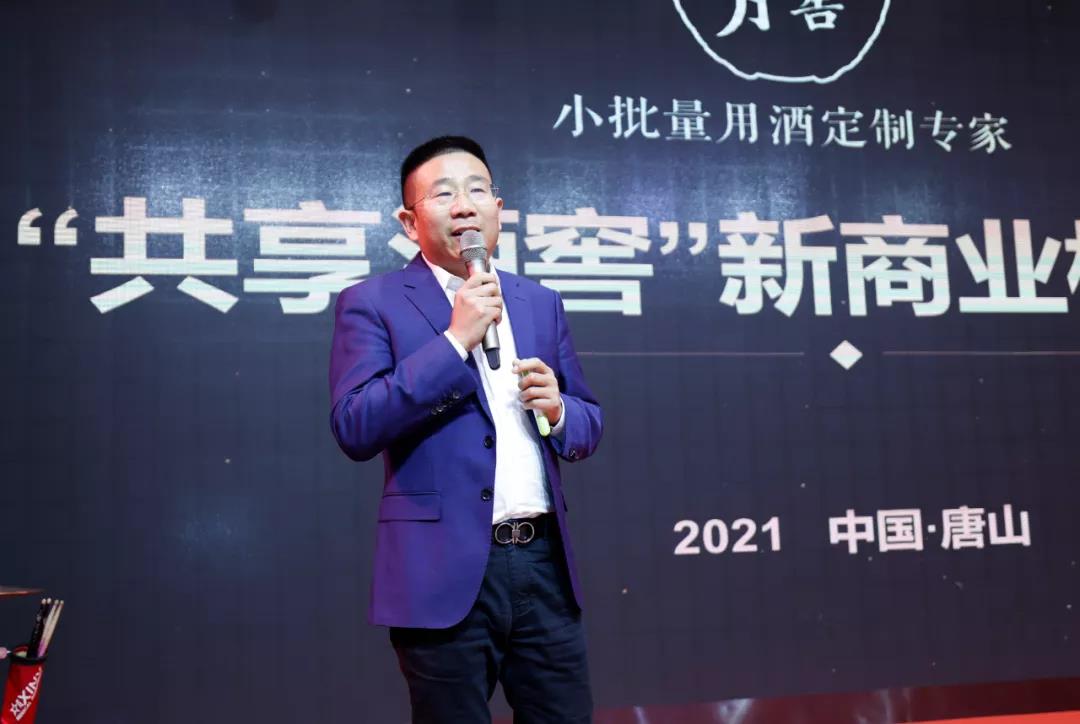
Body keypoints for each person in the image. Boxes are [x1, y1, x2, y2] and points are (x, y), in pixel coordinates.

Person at [328, 135, 603, 723]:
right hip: (441, 573)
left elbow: (588, 419)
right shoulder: (371, 303)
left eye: (477, 190)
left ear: (497, 209)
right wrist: (455, 341)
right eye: (442, 194)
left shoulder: (539, 301)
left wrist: (558, 411)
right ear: (409, 222)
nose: (463, 206)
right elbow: (355, 424)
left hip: (543, 566)